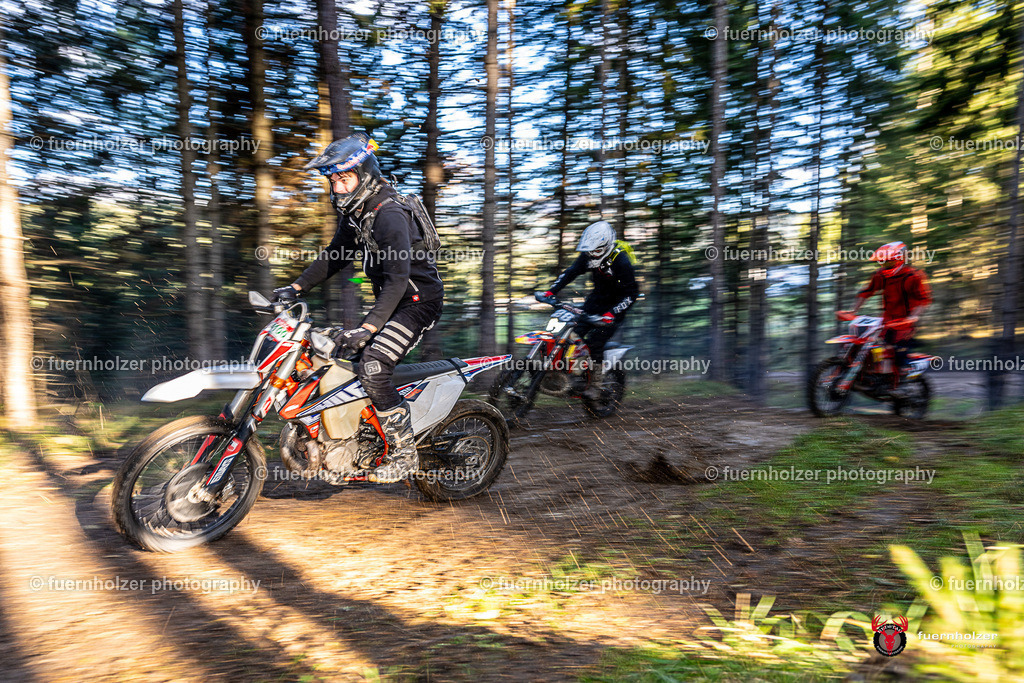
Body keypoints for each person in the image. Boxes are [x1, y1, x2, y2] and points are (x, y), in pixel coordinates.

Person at [273, 133, 444, 483]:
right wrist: (295, 287)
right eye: (333, 180)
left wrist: (368, 328)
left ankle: (404, 454)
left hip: (417, 303)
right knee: (329, 352)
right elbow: (335, 256)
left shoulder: (389, 214)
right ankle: (353, 438)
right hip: (392, 301)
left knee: (373, 366)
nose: (337, 188)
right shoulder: (357, 212)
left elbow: (398, 280)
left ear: (364, 174)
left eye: (344, 179)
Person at [535, 220, 639, 399]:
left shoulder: (621, 261)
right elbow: (571, 272)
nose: (592, 254)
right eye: (590, 251)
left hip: (614, 309)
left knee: (596, 343)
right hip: (594, 302)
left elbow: (632, 294)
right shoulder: (589, 255)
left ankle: (595, 386)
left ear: (607, 245)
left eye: (597, 250)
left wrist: (612, 313)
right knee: (570, 334)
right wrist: (551, 291)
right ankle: (568, 374)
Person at [839, 241, 931, 393]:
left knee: (897, 349)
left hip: (905, 324)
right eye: (882, 262)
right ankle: (873, 377)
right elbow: (866, 292)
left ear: (899, 259)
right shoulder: (881, 276)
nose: (884, 264)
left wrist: (914, 317)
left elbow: (923, 300)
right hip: (886, 321)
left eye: (888, 261)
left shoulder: (914, 276)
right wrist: (852, 311)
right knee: (871, 346)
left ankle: (902, 384)